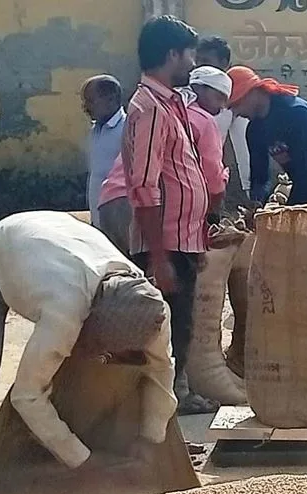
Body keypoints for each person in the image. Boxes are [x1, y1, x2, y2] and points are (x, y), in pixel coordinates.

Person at [0, 211, 176, 494]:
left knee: (119, 370)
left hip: (54, 243)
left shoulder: (151, 308)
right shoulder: (66, 311)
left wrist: (150, 440)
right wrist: (83, 463)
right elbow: (26, 396)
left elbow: (161, 371)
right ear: (90, 326)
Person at [123, 15, 217, 414]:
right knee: (165, 326)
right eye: (189, 55)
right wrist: (159, 258)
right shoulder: (149, 109)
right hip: (165, 242)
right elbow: (144, 187)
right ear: (171, 54)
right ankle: (163, 402)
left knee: (181, 322)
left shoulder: (170, 104)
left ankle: (175, 394)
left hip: (182, 238)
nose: (193, 64)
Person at [100, 65, 233, 254]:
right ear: (199, 89)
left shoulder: (162, 108)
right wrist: (213, 213)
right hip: (144, 209)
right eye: (219, 97)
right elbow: (214, 180)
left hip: (110, 201)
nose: (220, 108)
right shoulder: (202, 120)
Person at [227, 66, 307, 206]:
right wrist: (258, 202)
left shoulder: (296, 113)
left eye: (237, 104)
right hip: (306, 190)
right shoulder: (254, 130)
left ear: (253, 91)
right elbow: (260, 178)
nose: (236, 113)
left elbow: (305, 170)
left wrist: (289, 211)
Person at [196, 36, 252, 210]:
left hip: (210, 177)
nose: (200, 67)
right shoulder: (188, 91)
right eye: (198, 62)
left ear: (224, 63)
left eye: (206, 62)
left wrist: (250, 190)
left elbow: (244, 145)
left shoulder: (233, 96)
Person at [81, 75, 126, 228]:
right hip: (97, 216)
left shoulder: (127, 130)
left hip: (118, 219)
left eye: (90, 101)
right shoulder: (95, 130)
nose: (85, 107)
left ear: (110, 99)